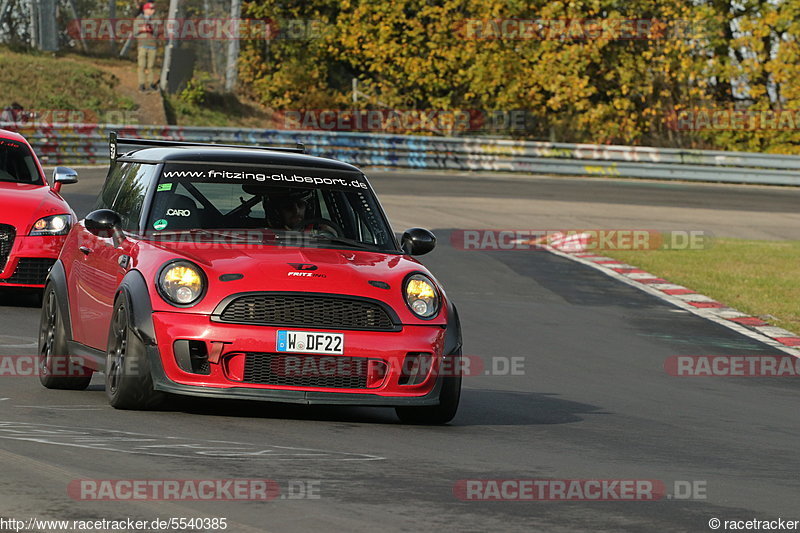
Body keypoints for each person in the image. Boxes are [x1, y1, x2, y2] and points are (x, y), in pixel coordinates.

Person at [134, 2, 159, 91]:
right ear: (145, 10)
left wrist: (152, 29)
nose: (153, 11)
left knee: (151, 66)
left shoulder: (155, 19)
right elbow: (135, 32)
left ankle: (151, 84)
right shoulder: (139, 19)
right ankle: (142, 84)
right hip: (142, 45)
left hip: (152, 45)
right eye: (151, 9)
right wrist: (142, 29)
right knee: (141, 65)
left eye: (153, 9)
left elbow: (157, 33)